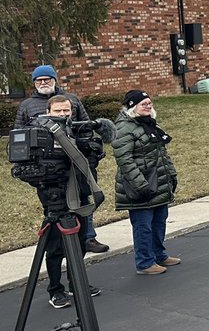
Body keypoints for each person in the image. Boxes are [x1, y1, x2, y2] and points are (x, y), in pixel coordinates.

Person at [10, 95, 104, 306]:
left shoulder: (78, 131)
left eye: (66, 111)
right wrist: (46, 179)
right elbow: (24, 170)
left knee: (80, 242)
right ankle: (55, 289)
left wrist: (93, 152)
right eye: (58, 111)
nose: (63, 115)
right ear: (48, 111)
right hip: (54, 199)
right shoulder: (39, 132)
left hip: (78, 195)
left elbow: (88, 165)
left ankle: (76, 283)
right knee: (54, 247)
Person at [15, 65, 108, 253]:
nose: (43, 83)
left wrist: (88, 151)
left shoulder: (72, 100)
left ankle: (88, 238)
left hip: (75, 162)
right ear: (34, 83)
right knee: (54, 208)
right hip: (48, 167)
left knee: (83, 200)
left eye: (47, 79)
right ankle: (57, 247)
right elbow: (19, 133)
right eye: (39, 80)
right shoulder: (27, 105)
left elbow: (86, 126)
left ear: (55, 80)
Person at [114, 90, 181, 276]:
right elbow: (124, 160)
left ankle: (159, 255)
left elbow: (161, 153)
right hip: (139, 186)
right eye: (144, 104)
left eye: (150, 103)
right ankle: (144, 262)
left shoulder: (150, 124)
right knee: (143, 225)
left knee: (159, 220)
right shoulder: (124, 128)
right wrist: (140, 184)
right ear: (131, 107)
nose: (148, 106)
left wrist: (171, 175)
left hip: (158, 182)